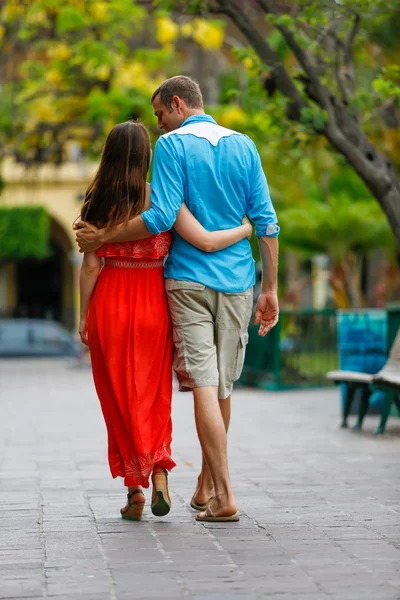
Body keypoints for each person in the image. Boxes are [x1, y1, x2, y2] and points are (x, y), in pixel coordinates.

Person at [76, 76, 279, 523]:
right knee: (202, 388)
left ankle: (184, 488)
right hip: (208, 289)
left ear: (175, 104)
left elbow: (111, 252)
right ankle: (189, 480)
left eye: (160, 114)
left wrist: (102, 247)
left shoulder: (157, 160)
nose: (160, 126)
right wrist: (266, 279)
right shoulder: (241, 146)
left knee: (178, 389)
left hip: (158, 290)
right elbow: (252, 225)